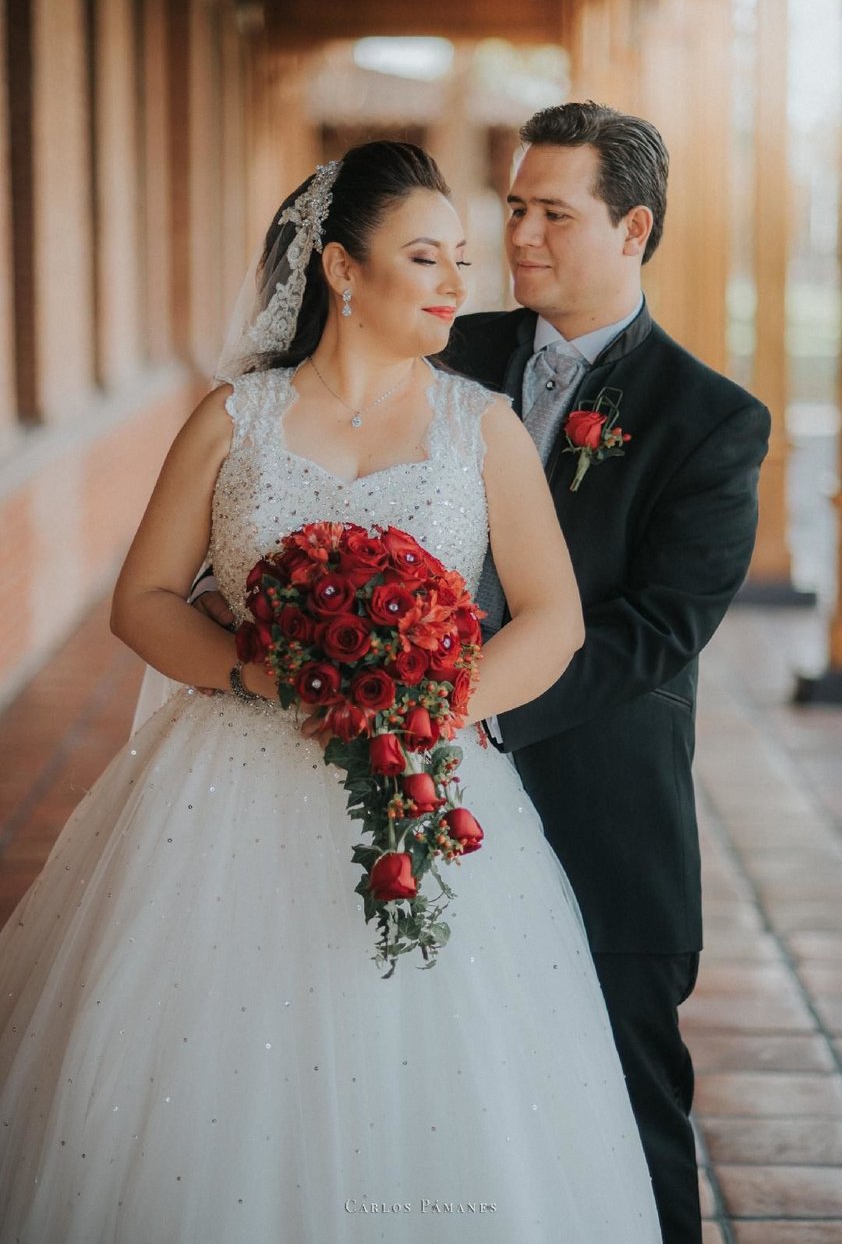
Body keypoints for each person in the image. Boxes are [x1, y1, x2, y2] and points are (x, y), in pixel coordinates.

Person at [0, 141, 663, 1242]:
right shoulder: (234, 418)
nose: (459, 281)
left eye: (461, 256)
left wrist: (440, 706)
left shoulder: (478, 426)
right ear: (343, 273)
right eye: (425, 255)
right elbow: (146, 599)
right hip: (221, 790)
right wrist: (251, 669)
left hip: (426, 778)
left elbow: (552, 617)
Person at [443, 103, 771, 1244]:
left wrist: (474, 713)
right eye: (512, 208)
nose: (518, 235)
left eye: (551, 213)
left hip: (595, 804)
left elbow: (659, 628)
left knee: (631, 1108)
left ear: (631, 228)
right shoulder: (445, 351)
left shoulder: (711, 421)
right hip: (416, 788)